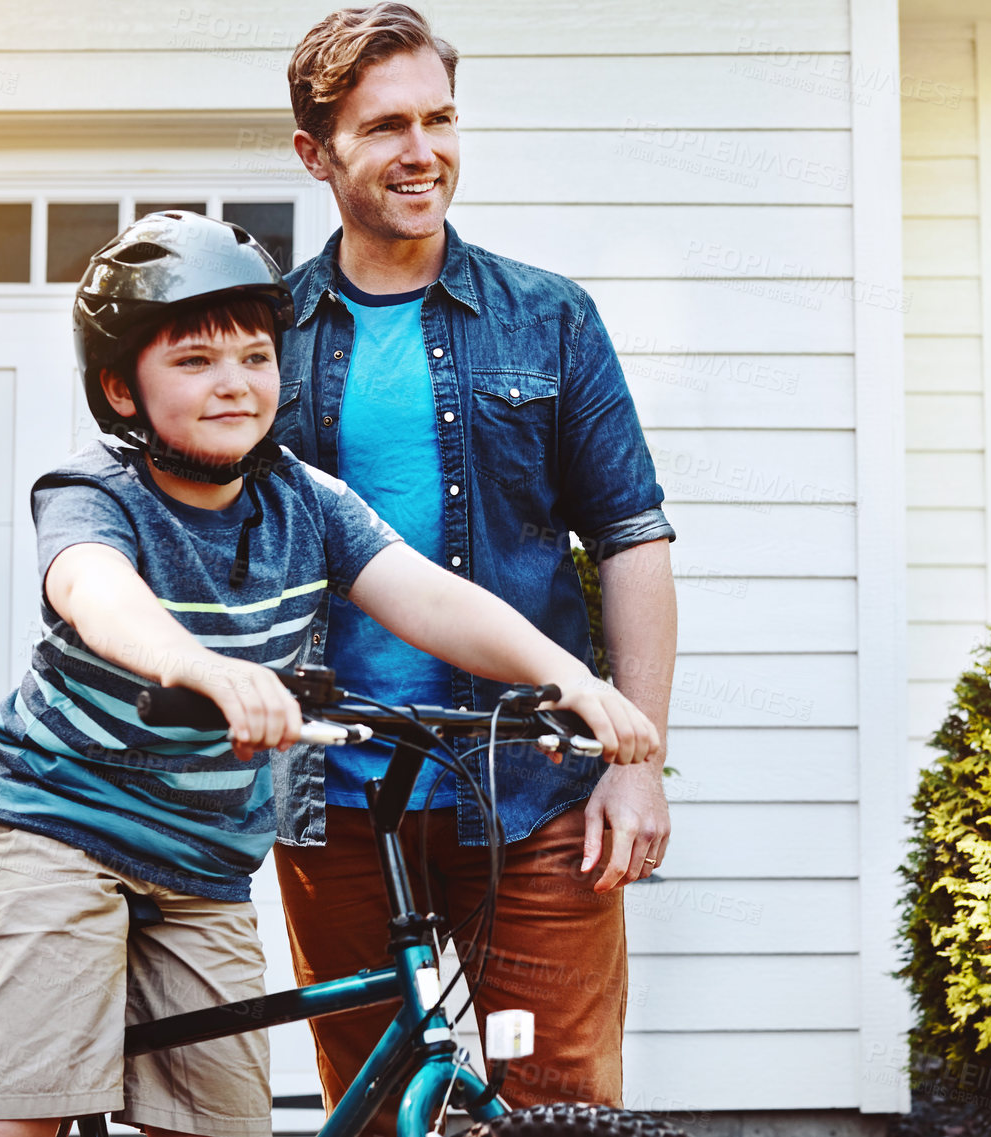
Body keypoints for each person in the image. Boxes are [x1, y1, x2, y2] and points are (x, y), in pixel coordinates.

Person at [0, 210, 658, 1137]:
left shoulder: (306, 502)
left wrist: (574, 681)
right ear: (120, 389)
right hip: (55, 835)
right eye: (194, 362)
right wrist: (204, 669)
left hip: (202, 867)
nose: (234, 384)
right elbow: (97, 591)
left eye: (255, 357)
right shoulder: (96, 492)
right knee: (10, 1118)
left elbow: (430, 599)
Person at [269, 2, 679, 1121]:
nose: (423, 152)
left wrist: (636, 761)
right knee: (375, 1104)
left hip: (530, 790)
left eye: (440, 118)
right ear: (316, 152)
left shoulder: (547, 319)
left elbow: (632, 536)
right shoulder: (268, 336)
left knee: (559, 1101)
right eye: (386, 125)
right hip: (337, 800)